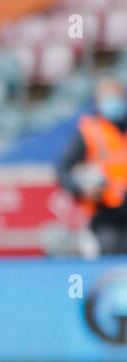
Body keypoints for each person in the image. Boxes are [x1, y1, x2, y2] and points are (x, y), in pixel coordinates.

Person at [57, 77, 127, 256]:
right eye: (108, 97)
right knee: (110, 262)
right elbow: (63, 169)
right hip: (105, 214)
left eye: (116, 96)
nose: (113, 102)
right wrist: (81, 189)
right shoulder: (89, 130)